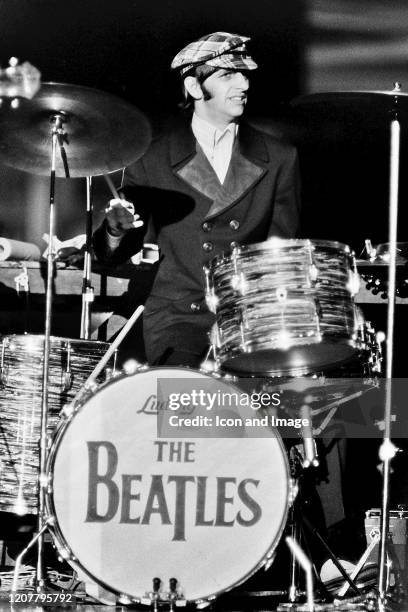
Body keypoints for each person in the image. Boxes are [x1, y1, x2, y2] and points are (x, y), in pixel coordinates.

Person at [93, 31, 301, 367]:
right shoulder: (151, 158)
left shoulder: (279, 156)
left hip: (247, 322)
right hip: (178, 319)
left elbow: (279, 253)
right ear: (193, 87)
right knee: (183, 411)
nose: (243, 85)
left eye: (245, 74)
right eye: (228, 75)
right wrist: (116, 230)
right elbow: (121, 248)